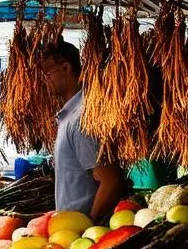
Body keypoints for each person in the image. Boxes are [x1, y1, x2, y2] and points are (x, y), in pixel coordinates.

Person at [39, 38, 125, 223]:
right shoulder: (69, 116)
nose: (45, 80)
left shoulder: (81, 118)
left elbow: (111, 181)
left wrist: (88, 225)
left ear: (66, 68)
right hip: (70, 228)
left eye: (48, 72)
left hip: (82, 231)